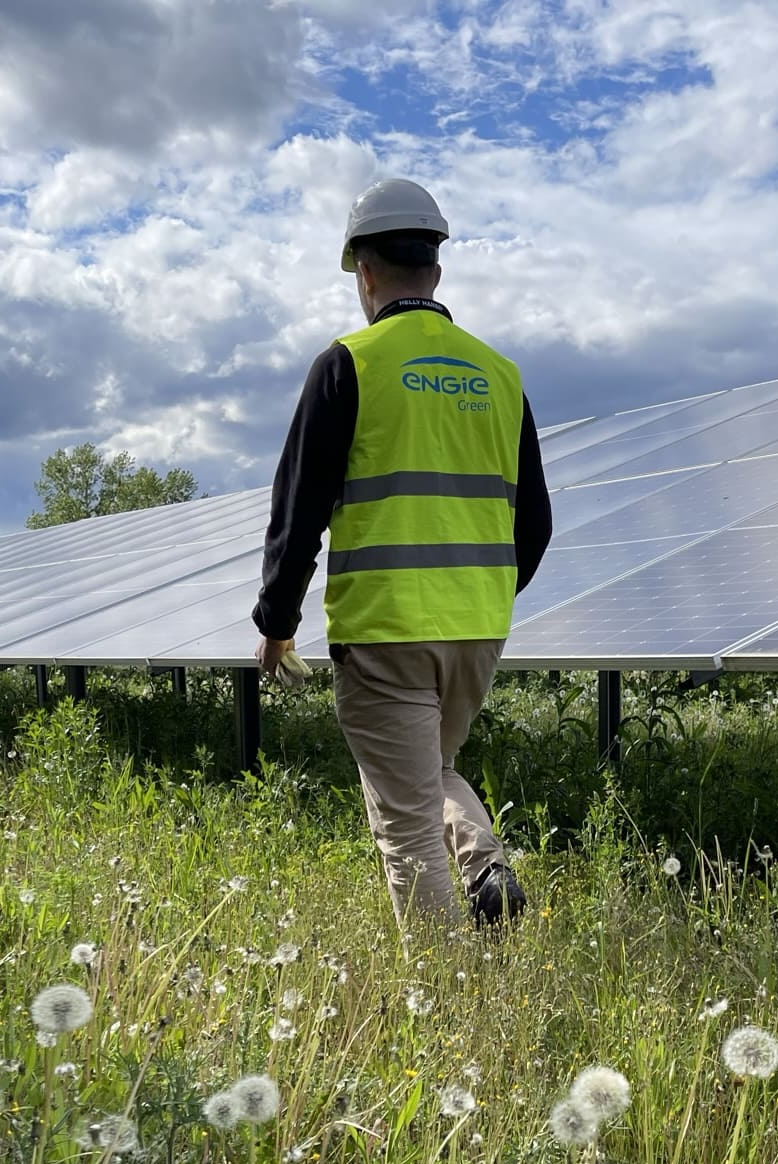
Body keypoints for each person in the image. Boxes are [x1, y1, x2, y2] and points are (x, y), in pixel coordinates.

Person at [252, 177, 553, 935]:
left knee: (404, 821)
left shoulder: (350, 363)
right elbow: (536, 525)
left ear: (365, 273)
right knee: (429, 775)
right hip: (476, 633)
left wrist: (276, 622)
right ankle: (486, 869)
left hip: (385, 632)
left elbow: (299, 511)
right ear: (436, 272)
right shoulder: (500, 375)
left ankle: (446, 1001)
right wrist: (485, 596)